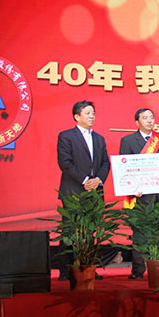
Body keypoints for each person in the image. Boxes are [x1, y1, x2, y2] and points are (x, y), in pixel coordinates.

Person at [56, 100, 110, 281]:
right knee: (69, 231)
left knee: (90, 231)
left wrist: (98, 180)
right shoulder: (66, 136)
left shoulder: (99, 138)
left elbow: (105, 163)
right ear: (76, 116)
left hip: (94, 191)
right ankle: (66, 270)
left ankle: (88, 268)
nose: (91, 116)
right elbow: (65, 163)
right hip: (73, 191)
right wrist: (85, 180)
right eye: (87, 113)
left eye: (93, 113)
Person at [119, 108, 159, 279]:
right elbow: (124, 168)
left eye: (151, 117)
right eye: (145, 118)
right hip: (140, 196)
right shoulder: (128, 141)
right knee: (140, 234)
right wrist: (131, 188)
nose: (149, 121)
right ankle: (138, 270)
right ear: (137, 122)